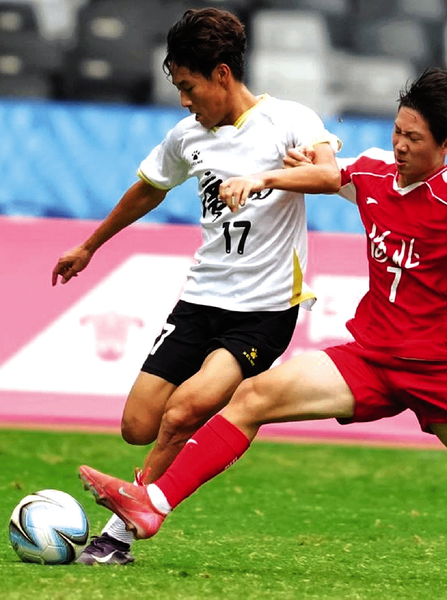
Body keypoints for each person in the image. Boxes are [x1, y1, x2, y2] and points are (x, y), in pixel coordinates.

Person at [78, 68, 447, 590]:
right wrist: (269, 176)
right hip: (371, 359)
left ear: (446, 146)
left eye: (414, 138)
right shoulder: (377, 169)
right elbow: (332, 176)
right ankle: (153, 504)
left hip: (442, 371)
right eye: (398, 131)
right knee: (252, 397)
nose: (400, 145)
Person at [52, 7, 341, 565]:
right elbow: (148, 188)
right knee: (138, 425)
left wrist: (265, 176)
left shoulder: (289, 120)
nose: (184, 100)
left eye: (189, 87)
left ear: (222, 75)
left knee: (183, 412)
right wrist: (90, 245)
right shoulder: (187, 137)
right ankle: (221, 409)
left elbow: (330, 175)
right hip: (200, 299)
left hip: (264, 310)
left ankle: (117, 538)